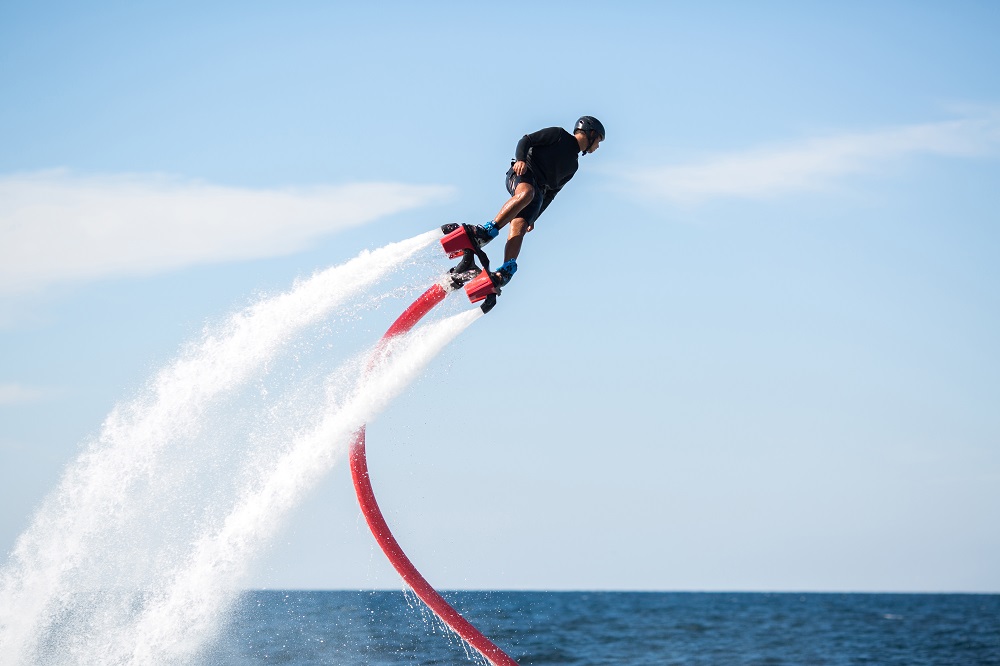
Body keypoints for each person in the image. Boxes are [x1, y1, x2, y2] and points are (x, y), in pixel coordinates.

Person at [468, 116, 605, 286]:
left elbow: (551, 194)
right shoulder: (559, 135)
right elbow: (526, 140)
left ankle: (504, 271)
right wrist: (520, 159)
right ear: (591, 133)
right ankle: (487, 231)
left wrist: (534, 217)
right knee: (527, 193)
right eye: (598, 140)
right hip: (523, 173)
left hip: (538, 192)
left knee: (521, 225)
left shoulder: (573, 166)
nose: (598, 146)